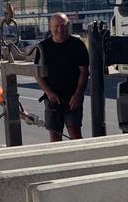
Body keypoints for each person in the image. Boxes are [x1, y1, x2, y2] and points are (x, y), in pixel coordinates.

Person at [35, 13, 89, 142]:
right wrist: (49, 93)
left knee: (75, 135)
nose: (60, 29)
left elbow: (84, 72)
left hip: (72, 99)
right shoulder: (42, 47)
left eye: (63, 26)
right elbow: (38, 74)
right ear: (50, 27)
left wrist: (78, 94)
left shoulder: (77, 45)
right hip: (52, 99)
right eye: (56, 26)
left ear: (68, 26)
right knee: (55, 137)